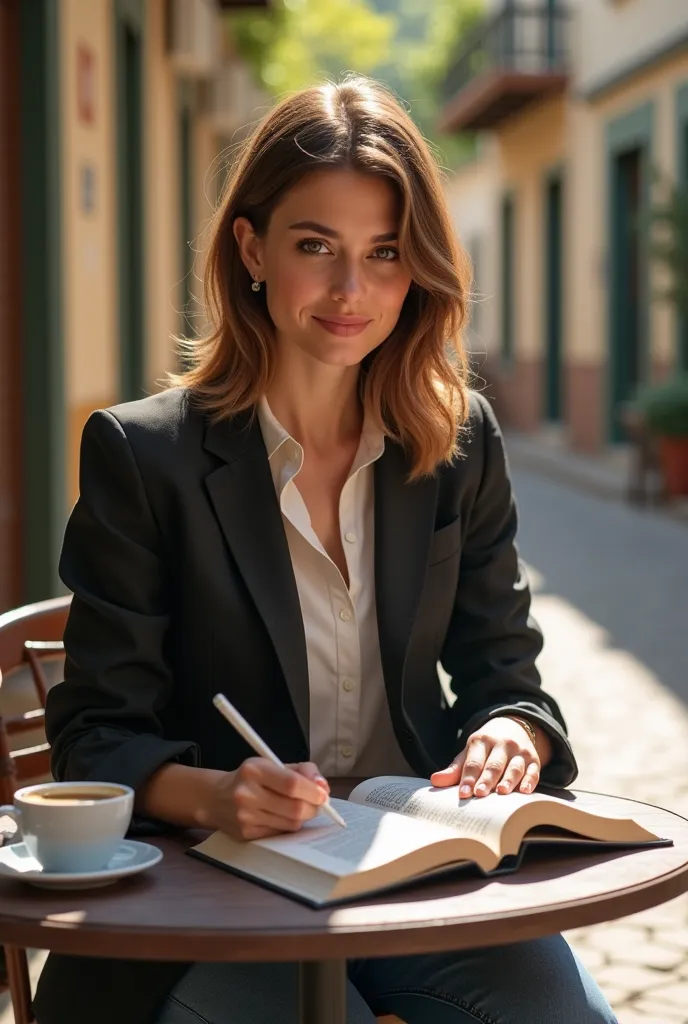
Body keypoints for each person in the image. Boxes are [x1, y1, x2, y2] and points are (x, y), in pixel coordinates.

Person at [34, 76, 617, 1024]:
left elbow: (503, 670)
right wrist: (220, 795)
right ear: (252, 248)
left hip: (419, 873)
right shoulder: (143, 455)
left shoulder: (458, 442)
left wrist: (514, 730)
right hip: (206, 892)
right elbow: (96, 738)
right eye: (317, 247)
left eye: (385, 254)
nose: (354, 291)